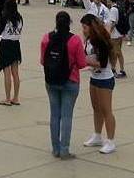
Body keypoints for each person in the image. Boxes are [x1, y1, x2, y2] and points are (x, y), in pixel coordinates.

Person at [41, 11, 88, 160]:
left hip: (51, 80)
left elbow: (43, 61)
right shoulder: (75, 40)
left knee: (54, 115)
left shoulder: (47, 38)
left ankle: (55, 148)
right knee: (67, 116)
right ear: (69, 23)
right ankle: (64, 150)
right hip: (70, 80)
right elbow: (82, 63)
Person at [80, 13, 117, 154]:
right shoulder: (88, 40)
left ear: (92, 27)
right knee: (96, 108)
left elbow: (102, 63)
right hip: (94, 77)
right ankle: (97, 135)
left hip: (105, 79)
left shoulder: (101, 41)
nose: (83, 30)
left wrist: (84, 61)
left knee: (106, 110)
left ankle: (111, 141)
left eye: (85, 27)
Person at [0, 0, 23, 106]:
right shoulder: (19, 18)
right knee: (15, 73)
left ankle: (7, 98)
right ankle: (16, 97)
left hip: (6, 44)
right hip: (16, 44)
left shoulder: (5, 18)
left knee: (7, 72)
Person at [106, 0, 128, 78]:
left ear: (111, 0)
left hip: (114, 35)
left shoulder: (113, 9)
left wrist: (108, 33)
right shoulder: (118, 7)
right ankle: (114, 69)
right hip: (119, 34)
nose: (107, 1)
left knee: (117, 53)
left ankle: (121, 70)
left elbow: (113, 22)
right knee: (116, 53)